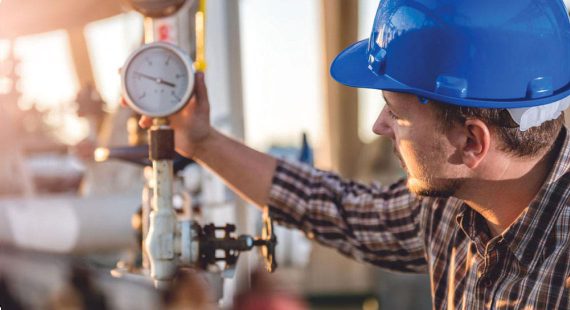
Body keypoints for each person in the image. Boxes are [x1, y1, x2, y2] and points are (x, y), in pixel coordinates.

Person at [135, 1, 570, 308]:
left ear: (473, 143)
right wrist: (201, 141)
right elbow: (336, 208)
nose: (378, 126)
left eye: (395, 112)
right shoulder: (454, 208)